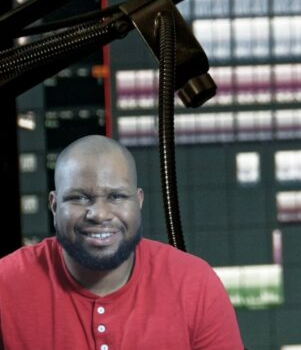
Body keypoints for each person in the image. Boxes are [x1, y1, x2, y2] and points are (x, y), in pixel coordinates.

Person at [0, 135, 243, 349]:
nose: (99, 214)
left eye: (116, 196)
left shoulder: (195, 284)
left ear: (138, 202)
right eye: (79, 198)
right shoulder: (5, 284)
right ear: (54, 206)